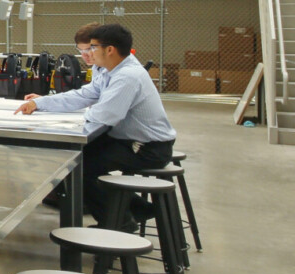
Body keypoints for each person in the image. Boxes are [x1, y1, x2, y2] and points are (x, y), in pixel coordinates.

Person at [21, 23, 175, 221]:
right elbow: (87, 94)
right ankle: (136, 209)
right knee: (67, 160)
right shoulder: (107, 69)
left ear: (109, 50)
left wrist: (79, 116)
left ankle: (121, 223)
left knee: (76, 168)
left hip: (147, 148)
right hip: (126, 140)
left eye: (93, 48)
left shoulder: (127, 76)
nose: (90, 54)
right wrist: (41, 103)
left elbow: (106, 115)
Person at [15, 23, 106, 114]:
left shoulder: (112, 72)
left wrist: (42, 102)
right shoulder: (98, 68)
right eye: (80, 50)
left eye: (88, 49)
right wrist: (43, 101)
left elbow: (84, 98)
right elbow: (83, 96)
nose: (84, 55)